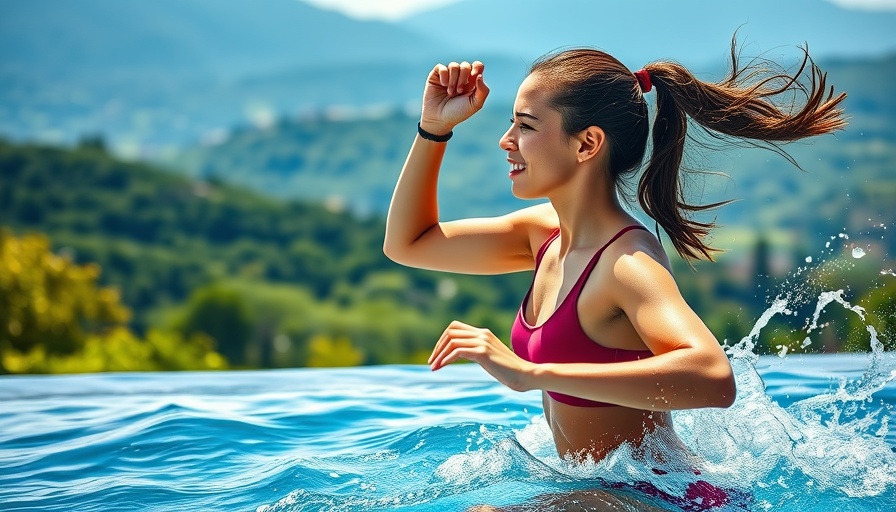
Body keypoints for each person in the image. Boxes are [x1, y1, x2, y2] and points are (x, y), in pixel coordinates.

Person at [383, 38, 846, 510]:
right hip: (601, 493)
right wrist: (434, 129)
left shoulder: (626, 263)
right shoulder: (542, 235)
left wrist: (530, 372)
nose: (507, 141)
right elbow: (409, 243)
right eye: (511, 124)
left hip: (660, 500)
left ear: (587, 143)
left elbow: (713, 378)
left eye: (525, 126)